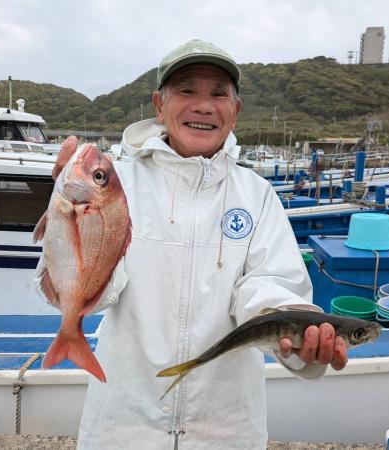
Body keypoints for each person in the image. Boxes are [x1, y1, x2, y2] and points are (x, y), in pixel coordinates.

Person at [51, 39, 348, 450]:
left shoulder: (257, 194)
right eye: (187, 90)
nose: (203, 106)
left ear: (235, 110)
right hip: (122, 425)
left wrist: (299, 337)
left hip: (226, 429)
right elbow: (96, 293)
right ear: (159, 105)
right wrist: (67, 217)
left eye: (218, 94)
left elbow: (271, 285)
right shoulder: (117, 184)